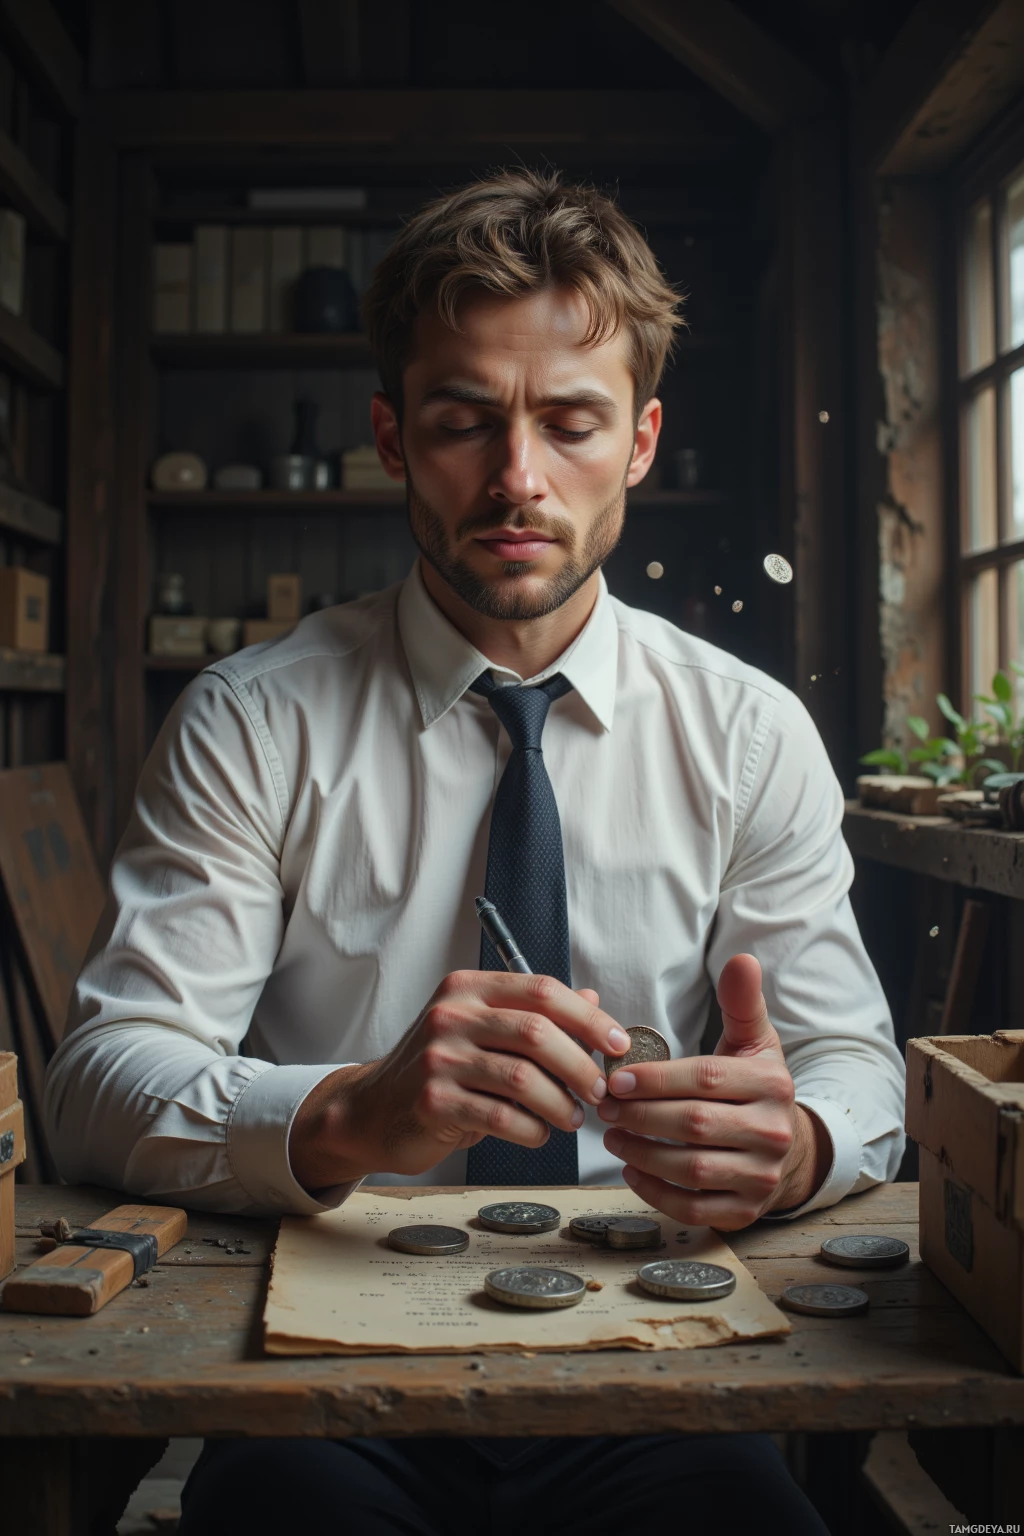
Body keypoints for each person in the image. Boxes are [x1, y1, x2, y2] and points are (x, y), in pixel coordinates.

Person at [45, 169, 903, 1535]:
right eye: (461, 423)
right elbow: (99, 1079)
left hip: (661, 1369)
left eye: (571, 423)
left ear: (640, 442)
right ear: (391, 434)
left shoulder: (749, 733)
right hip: (323, 1389)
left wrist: (794, 1144)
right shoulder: (250, 722)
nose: (516, 479)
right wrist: (349, 1116)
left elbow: (858, 1068)